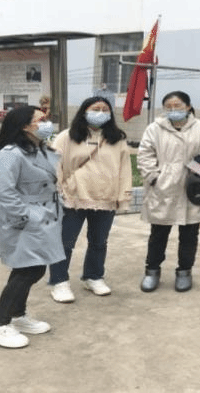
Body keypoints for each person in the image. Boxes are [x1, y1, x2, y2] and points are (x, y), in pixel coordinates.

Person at [0, 106, 64, 348]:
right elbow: (5, 192)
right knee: (27, 270)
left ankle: (18, 315)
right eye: (41, 120)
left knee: (33, 268)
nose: (47, 123)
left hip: (44, 215)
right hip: (26, 218)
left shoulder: (39, 149)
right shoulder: (10, 154)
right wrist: (24, 218)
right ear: (24, 126)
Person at [48, 96, 132, 303]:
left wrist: (123, 196)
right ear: (84, 111)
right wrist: (58, 191)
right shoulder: (67, 136)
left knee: (99, 242)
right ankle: (59, 281)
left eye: (105, 110)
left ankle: (93, 276)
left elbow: (125, 169)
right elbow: (54, 165)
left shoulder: (117, 139)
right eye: (96, 109)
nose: (100, 113)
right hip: (73, 198)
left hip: (106, 198)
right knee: (65, 242)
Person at [137, 91, 200, 292]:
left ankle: (184, 271)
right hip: (164, 185)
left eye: (178, 106)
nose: (173, 110)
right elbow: (144, 154)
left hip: (193, 182)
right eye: (169, 107)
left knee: (190, 234)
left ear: (188, 107)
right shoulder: (155, 128)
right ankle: (152, 271)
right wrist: (154, 177)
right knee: (158, 233)